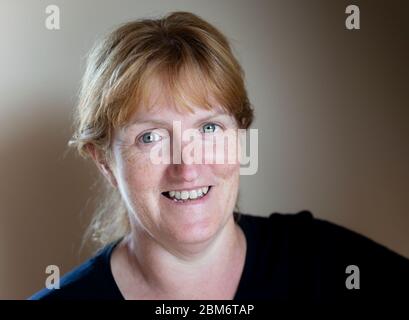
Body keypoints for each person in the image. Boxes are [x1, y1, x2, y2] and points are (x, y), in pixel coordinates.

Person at [30, 11, 409, 301]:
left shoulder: (326, 263)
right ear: (105, 163)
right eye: (150, 137)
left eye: (209, 128)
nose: (187, 166)